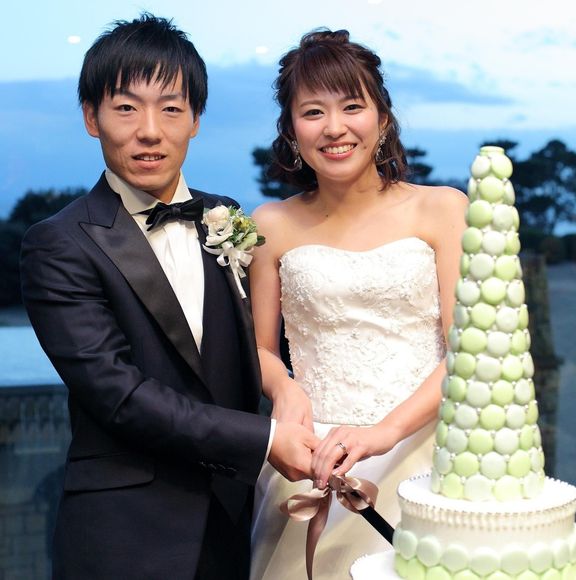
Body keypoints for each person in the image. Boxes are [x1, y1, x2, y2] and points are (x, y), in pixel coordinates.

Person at [20, 14, 318, 580]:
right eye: (126, 108)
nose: (150, 131)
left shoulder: (225, 217)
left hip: (235, 525)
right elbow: (120, 396)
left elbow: (257, 348)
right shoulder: (58, 243)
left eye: (171, 108)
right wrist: (265, 439)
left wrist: (286, 392)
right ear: (91, 118)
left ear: (196, 120)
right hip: (125, 538)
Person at [249, 29, 468, 579]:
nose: (334, 127)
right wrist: (285, 389)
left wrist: (383, 434)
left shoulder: (442, 210)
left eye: (352, 106)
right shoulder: (270, 225)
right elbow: (260, 350)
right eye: (313, 112)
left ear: (383, 119)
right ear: (291, 130)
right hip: (311, 456)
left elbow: (466, 352)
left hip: (424, 454)